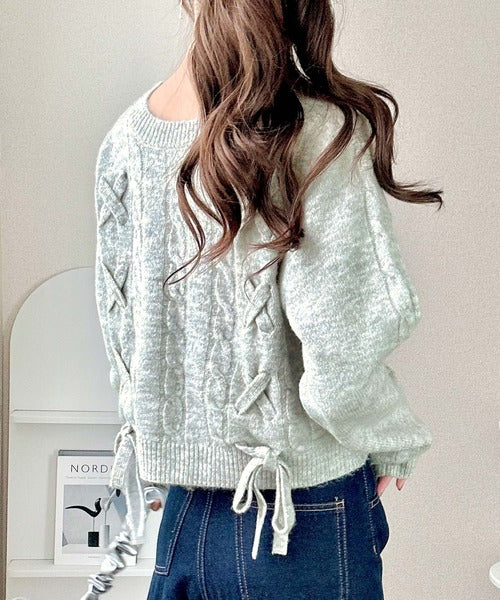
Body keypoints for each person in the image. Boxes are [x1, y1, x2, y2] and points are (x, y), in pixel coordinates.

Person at [93, 1, 442, 598]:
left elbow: (122, 337)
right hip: (296, 516)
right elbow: (340, 354)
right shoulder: (319, 131)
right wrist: (391, 440)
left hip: (182, 519)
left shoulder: (126, 141)